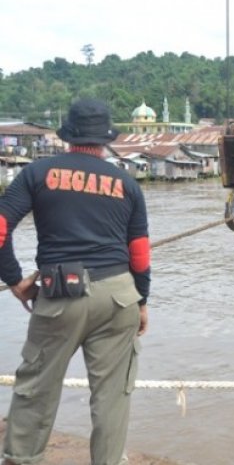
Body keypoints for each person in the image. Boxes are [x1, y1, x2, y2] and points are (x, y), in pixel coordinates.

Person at [0, 99, 151, 465]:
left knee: (36, 391)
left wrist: (16, 281)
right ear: (105, 139)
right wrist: (142, 301)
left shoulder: (37, 173)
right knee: (112, 398)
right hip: (118, 297)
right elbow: (140, 253)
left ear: (68, 136)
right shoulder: (127, 184)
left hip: (60, 295)